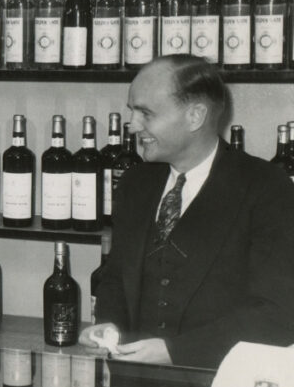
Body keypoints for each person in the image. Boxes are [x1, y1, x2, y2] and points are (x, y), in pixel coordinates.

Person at [81, 55, 294, 369]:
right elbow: (115, 279)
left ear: (195, 116)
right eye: (132, 111)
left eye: (145, 113)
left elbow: (276, 313)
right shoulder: (135, 183)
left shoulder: (265, 187)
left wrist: (176, 352)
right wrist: (108, 325)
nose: (133, 125)